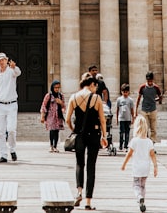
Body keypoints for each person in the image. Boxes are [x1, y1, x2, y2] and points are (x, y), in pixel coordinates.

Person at [65, 73, 107, 209]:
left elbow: (67, 119)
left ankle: (79, 192)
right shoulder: (96, 98)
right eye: (96, 86)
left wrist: (74, 129)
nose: (96, 88)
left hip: (79, 135)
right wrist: (104, 136)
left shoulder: (74, 97)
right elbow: (102, 119)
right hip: (94, 134)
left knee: (79, 164)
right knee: (91, 166)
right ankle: (88, 202)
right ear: (91, 85)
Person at [121, 114, 158, 213]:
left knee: (136, 185)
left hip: (137, 168)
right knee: (143, 185)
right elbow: (153, 155)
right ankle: (142, 201)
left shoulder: (134, 141)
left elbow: (129, 154)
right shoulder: (149, 142)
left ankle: (139, 197)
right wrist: (155, 167)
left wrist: (124, 164)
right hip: (146, 168)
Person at [0, 52, 21, 162]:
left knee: (11, 129)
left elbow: (18, 72)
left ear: (6, 60)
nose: (1, 62)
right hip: (0, 105)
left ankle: (12, 149)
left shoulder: (11, 71)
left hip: (11, 104)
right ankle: (3, 154)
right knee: (1, 131)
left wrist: (14, 67)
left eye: (3, 60)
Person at [136, 72, 162, 143]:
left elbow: (160, 97)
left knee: (153, 128)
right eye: (148, 81)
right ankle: (146, 142)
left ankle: (152, 143)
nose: (150, 82)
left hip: (153, 110)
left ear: (153, 80)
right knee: (145, 127)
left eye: (151, 81)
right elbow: (138, 98)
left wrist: (155, 100)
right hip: (144, 110)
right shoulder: (142, 87)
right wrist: (136, 110)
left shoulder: (156, 87)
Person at [40, 79, 66, 152]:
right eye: (55, 87)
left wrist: (61, 103)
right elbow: (44, 105)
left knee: (57, 131)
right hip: (50, 116)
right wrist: (42, 115)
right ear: (52, 87)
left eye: (58, 87)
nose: (57, 89)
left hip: (58, 116)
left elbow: (64, 107)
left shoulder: (61, 96)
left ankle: (55, 146)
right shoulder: (48, 95)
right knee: (52, 130)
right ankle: (51, 145)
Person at [116, 84, 135, 152]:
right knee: (121, 132)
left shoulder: (130, 100)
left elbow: (132, 109)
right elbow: (117, 109)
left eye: (126, 92)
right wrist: (117, 118)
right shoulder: (119, 99)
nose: (125, 93)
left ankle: (126, 145)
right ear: (121, 92)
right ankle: (120, 145)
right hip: (121, 118)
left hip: (128, 119)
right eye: (124, 92)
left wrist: (133, 118)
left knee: (127, 132)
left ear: (128, 92)